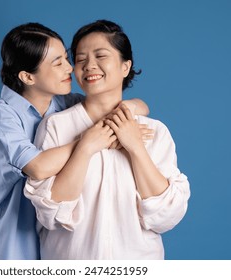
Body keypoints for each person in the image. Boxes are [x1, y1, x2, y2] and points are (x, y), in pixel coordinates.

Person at [0, 22, 150, 259]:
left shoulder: (65, 104)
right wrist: (91, 142)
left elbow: (133, 105)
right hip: (12, 236)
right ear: (28, 76)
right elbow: (37, 167)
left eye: (67, 58)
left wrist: (127, 109)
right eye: (58, 63)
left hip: (56, 236)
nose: (70, 68)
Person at [24, 20, 190, 259]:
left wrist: (135, 147)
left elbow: (167, 216)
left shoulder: (155, 132)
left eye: (101, 56)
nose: (89, 65)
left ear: (125, 66)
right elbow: (51, 215)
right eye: (80, 59)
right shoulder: (56, 126)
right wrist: (85, 148)